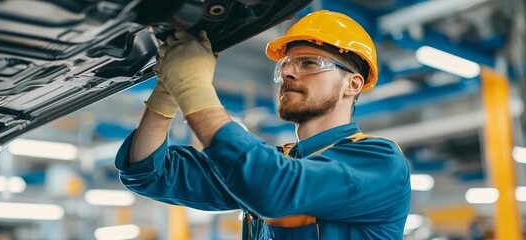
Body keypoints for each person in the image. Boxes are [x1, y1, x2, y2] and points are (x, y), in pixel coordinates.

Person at [115, 10, 411, 239]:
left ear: (352, 84)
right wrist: (167, 93)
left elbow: (275, 188)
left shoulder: (380, 162)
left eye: (309, 63)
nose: (288, 74)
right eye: (286, 65)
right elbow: (148, 173)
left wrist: (193, 88)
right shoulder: (276, 164)